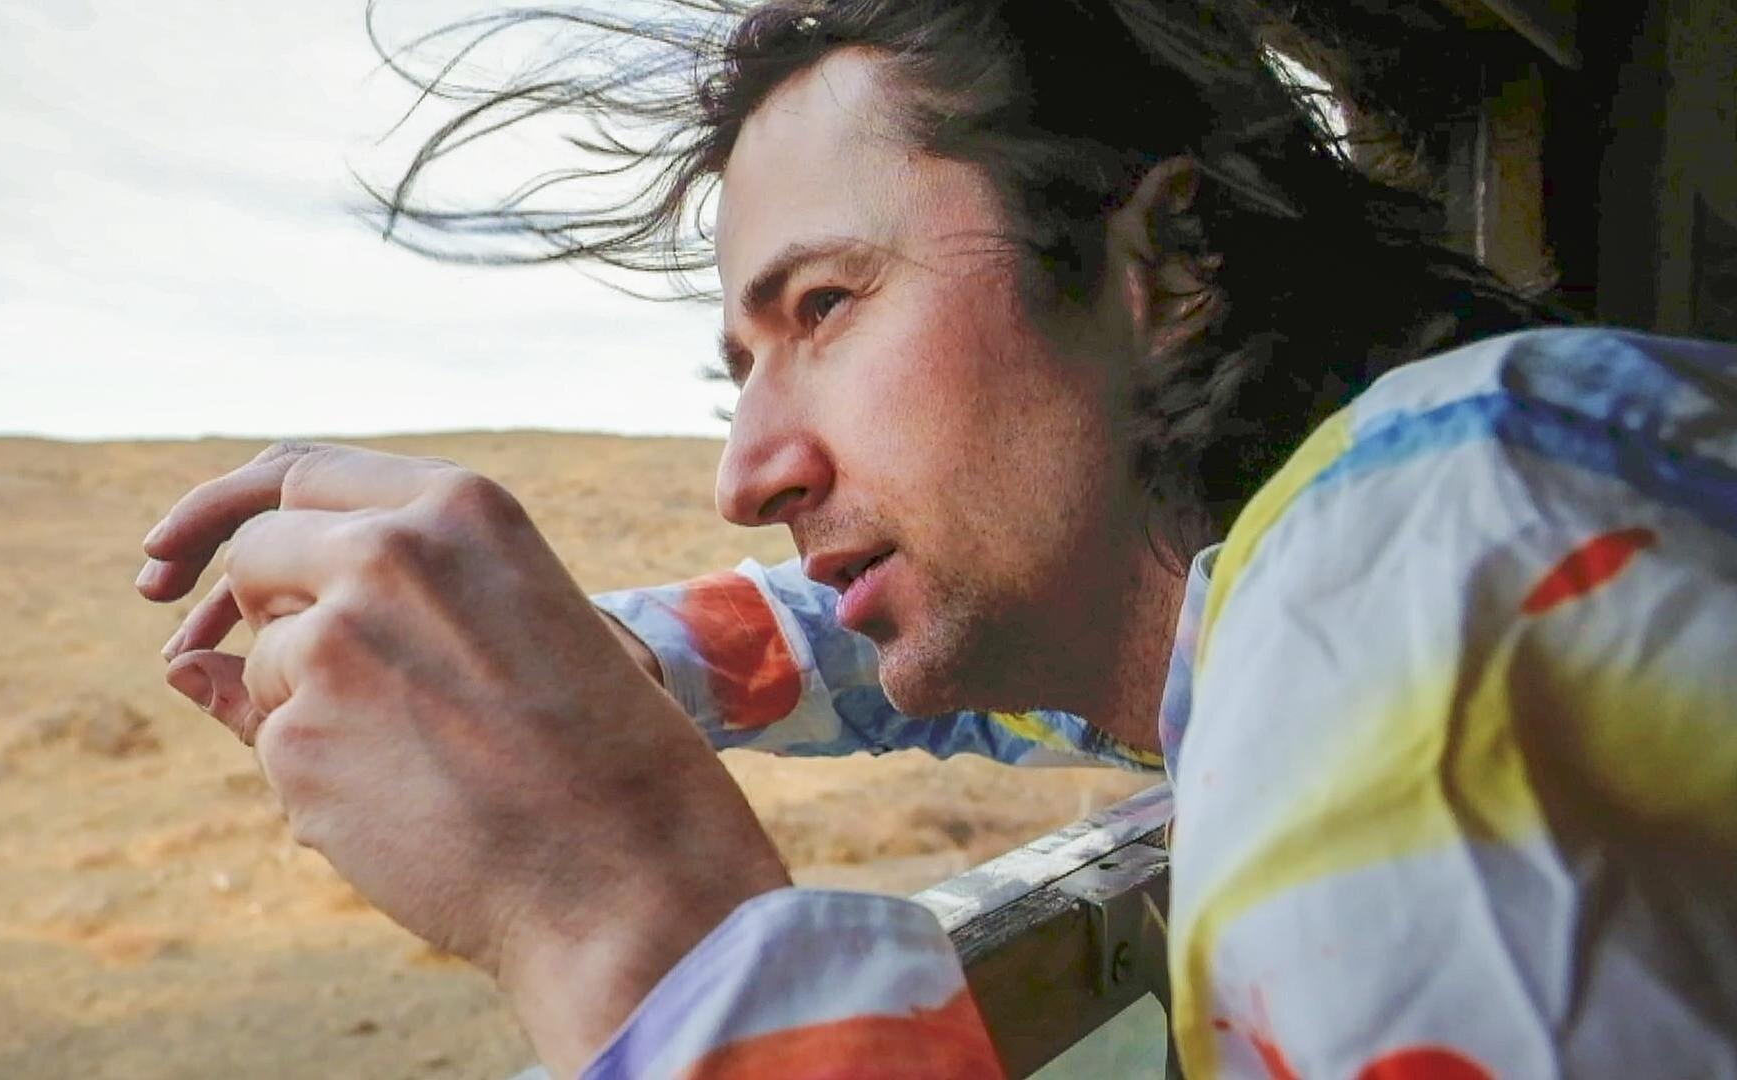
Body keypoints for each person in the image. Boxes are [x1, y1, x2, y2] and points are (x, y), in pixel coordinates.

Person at [134, 1, 1737, 1075]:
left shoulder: (1430, 571)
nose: (745, 471)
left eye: (825, 306)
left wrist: (619, 912)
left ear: (1164, 265)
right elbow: (917, 646)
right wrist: (609, 662)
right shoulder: (1321, 576)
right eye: (740, 366)